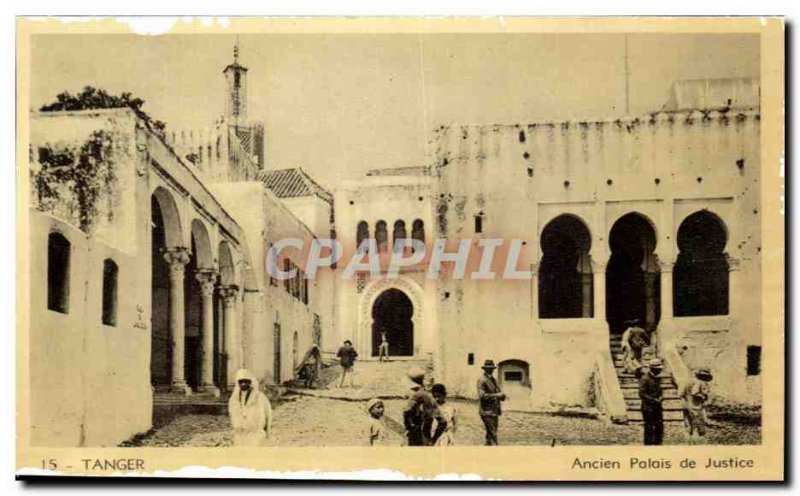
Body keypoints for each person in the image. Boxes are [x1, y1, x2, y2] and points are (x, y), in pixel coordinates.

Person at [228, 369, 273, 447]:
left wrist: (268, 432)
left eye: (246, 381)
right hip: (240, 435)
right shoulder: (234, 399)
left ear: (250, 382)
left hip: (255, 434)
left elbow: (268, 414)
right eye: (241, 382)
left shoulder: (259, 397)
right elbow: (232, 414)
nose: (243, 384)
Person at [402, 367, 438, 446]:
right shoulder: (426, 394)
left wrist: (408, 426)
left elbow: (407, 412)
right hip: (425, 427)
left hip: (416, 428)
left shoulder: (416, 395)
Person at [477, 359, 506, 446]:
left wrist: (502, 395)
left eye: (492, 368)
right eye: (488, 368)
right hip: (486, 412)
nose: (491, 370)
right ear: (485, 369)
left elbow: (498, 392)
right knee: (493, 434)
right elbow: (482, 396)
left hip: (494, 411)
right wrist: (497, 395)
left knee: (490, 436)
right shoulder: (481, 380)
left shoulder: (493, 379)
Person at [682, 367, 713, 443]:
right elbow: (695, 393)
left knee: (689, 427)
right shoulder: (699, 383)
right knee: (698, 427)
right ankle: (696, 445)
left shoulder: (688, 382)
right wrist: (704, 396)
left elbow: (682, 394)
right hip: (696, 407)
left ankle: (688, 443)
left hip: (686, 406)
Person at [638, 358, 664, 446]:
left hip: (657, 406)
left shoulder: (658, 378)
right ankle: (648, 445)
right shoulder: (645, 379)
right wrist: (653, 400)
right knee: (649, 427)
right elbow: (642, 393)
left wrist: (661, 397)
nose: (660, 370)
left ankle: (658, 444)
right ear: (653, 368)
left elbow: (660, 390)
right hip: (648, 407)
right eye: (658, 368)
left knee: (659, 426)